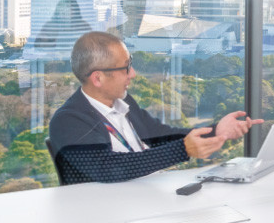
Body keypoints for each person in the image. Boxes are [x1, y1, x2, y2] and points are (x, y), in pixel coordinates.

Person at [48, 31, 261, 184]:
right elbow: (110, 168)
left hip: (148, 197)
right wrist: (183, 150)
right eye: (126, 68)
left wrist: (215, 131)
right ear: (98, 78)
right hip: (110, 215)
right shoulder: (68, 121)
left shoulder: (125, 103)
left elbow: (161, 136)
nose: (133, 74)